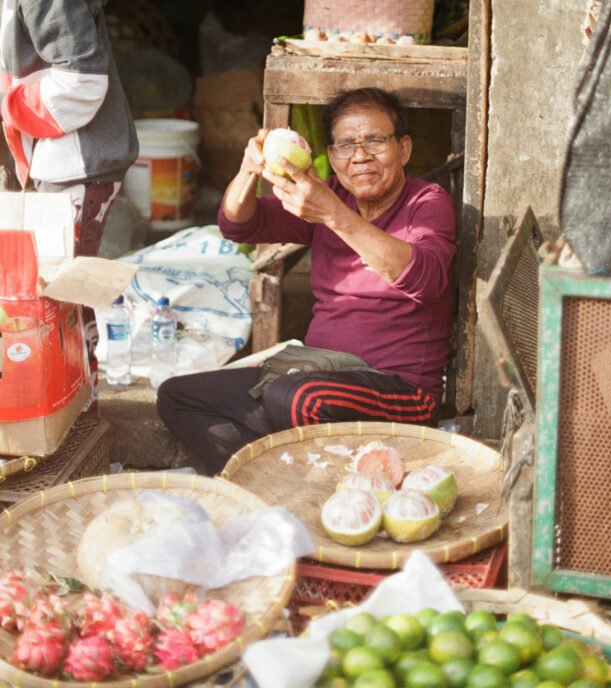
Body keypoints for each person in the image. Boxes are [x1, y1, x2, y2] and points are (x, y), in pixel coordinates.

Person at [158, 87, 457, 475]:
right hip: (320, 377)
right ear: (332, 157)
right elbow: (237, 223)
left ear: (404, 149)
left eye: (375, 141)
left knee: (294, 396)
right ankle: (268, 489)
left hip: (400, 391)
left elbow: (422, 278)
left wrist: (333, 215)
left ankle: (300, 477)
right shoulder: (332, 196)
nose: (360, 155)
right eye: (346, 145)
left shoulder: (427, 202)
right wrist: (251, 170)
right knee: (177, 396)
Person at [0, 0, 139, 398]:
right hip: (54, 162)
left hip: (77, 161)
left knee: (62, 296)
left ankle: (75, 414)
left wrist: (9, 100)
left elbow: (82, 80)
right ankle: (63, 407)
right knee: (50, 293)